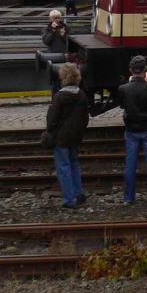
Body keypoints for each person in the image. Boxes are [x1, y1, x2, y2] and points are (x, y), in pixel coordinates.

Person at [114, 54, 147, 204]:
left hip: (131, 129)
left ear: (130, 70)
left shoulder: (123, 89)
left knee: (130, 164)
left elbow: (122, 105)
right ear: (145, 69)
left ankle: (129, 197)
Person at [46, 62, 89, 208]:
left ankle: (69, 199)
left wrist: (49, 131)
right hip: (76, 136)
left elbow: (52, 119)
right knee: (74, 164)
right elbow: (85, 119)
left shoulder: (59, 97)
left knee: (63, 167)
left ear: (63, 77)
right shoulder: (82, 95)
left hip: (61, 137)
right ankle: (78, 193)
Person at [41, 9, 70, 96]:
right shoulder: (47, 28)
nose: (57, 20)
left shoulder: (65, 27)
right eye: (54, 18)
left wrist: (63, 35)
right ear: (51, 19)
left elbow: (69, 42)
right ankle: (55, 97)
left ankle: (63, 96)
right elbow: (46, 41)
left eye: (58, 18)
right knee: (54, 79)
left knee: (64, 78)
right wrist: (52, 31)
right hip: (53, 56)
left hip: (63, 56)